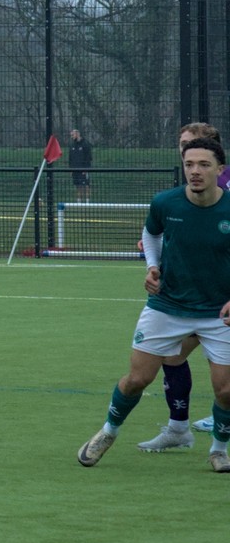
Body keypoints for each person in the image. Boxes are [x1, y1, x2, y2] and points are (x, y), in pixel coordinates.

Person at [76, 135, 230, 472]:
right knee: (135, 380)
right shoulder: (165, 203)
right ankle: (107, 432)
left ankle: (219, 449)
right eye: (189, 164)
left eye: (204, 164)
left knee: (226, 390)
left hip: (219, 313)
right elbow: (151, 234)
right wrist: (152, 266)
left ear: (220, 169)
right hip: (166, 307)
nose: (195, 171)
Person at [140, 121, 226, 449]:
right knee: (172, 356)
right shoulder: (183, 192)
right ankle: (179, 429)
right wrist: (155, 262)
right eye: (182, 147)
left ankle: (190, 429)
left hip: (216, 298)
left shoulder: (221, 189)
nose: (184, 152)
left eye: (191, 145)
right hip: (191, 295)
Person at [67, 129, 93, 202]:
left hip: (83, 169)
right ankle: (79, 201)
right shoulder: (72, 145)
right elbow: (70, 158)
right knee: (78, 185)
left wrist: (86, 169)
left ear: (77, 134)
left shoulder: (85, 144)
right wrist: (71, 169)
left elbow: (88, 157)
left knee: (86, 185)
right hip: (75, 169)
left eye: (73, 135)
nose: (72, 137)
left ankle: (87, 201)